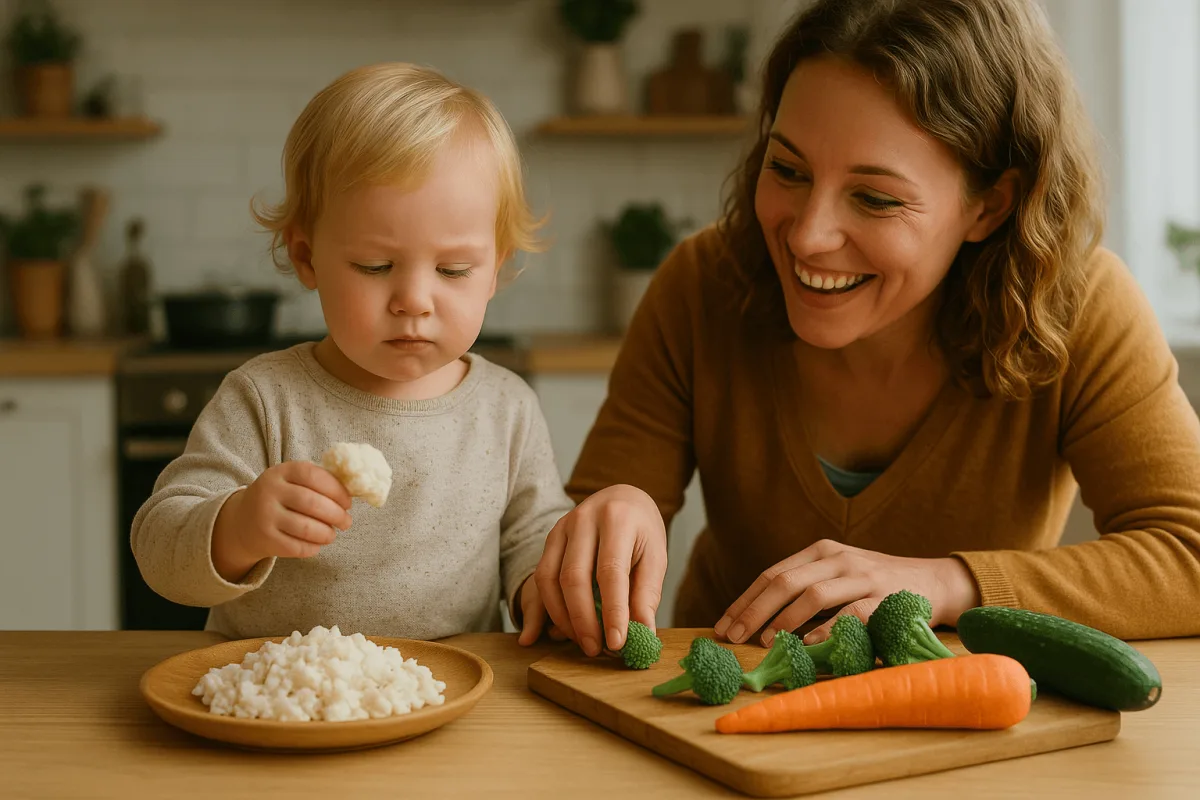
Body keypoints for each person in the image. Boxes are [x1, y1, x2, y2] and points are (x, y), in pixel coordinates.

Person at [533, 0, 1200, 658]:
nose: (809, 236)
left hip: (967, 720)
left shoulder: (1081, 308)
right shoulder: (702, 283)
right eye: (787, 170)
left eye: (875, 198)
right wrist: (613, 513)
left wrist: (945, 582)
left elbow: (1188, 555)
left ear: (989, 206)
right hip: (719, 705)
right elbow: (595, 540)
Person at [131, 63, 574, 643]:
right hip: (278, 705)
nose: (414, 300)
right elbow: (159, 548)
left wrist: (546, 585)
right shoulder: (264, 398)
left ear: (497, 268)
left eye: (453, 270)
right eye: (375, 266)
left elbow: (533, 535)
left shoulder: (506, 408)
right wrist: (236, 526)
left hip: (449, 701)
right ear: (308, 258)